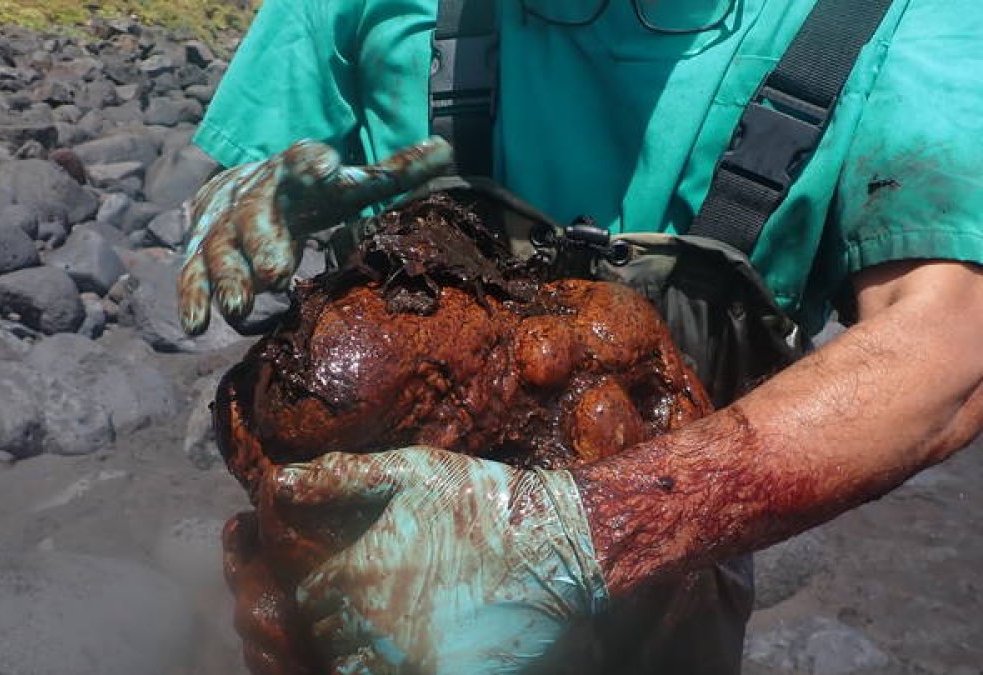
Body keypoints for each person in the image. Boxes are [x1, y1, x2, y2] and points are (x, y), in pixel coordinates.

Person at [176, 0, 983, 673]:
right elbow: (237, 168)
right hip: (343, 598)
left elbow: (953, 334)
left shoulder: (900, 23)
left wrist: (589, 531)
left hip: (662, 602)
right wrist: (238, 202)